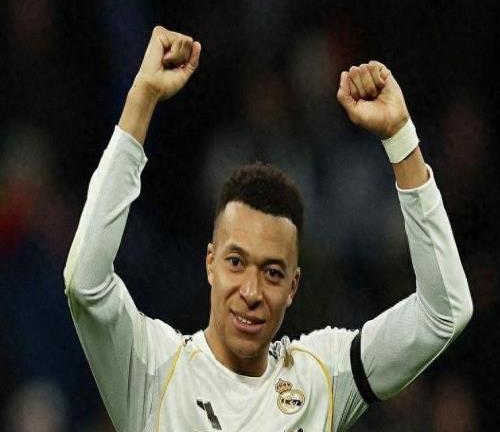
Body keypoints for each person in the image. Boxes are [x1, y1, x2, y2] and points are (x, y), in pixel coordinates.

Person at [63, 26, 473, 431]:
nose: (251, 292)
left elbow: (444, 313)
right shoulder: (154, 368)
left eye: (272, 272)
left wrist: (401, 138)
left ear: (293, 286)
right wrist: (142, 96)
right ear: (210, 263)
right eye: (236, 262)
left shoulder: (322, 377)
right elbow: (85, 282)